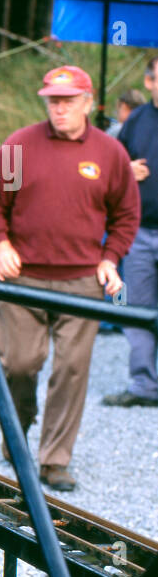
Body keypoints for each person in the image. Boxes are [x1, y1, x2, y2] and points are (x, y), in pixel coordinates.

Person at [0, 64, 140, 491]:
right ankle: (17, 432)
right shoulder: (20, 144)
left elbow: (126, 214)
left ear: (89, 103)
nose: (59, 108)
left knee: (71, 369)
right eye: (52, 100)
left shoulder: (109, 153)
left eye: (68, 100)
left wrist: (110, 258)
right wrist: (0, 243)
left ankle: (54, 460)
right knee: (19, 364)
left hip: (83, 281)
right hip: (22, 276)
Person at [102, 55, 158, 408]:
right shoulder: (136, 120)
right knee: (136, 310)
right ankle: (144, 387)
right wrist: (124, 168)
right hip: (140, 234)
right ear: (150, 82)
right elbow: (111, 163)